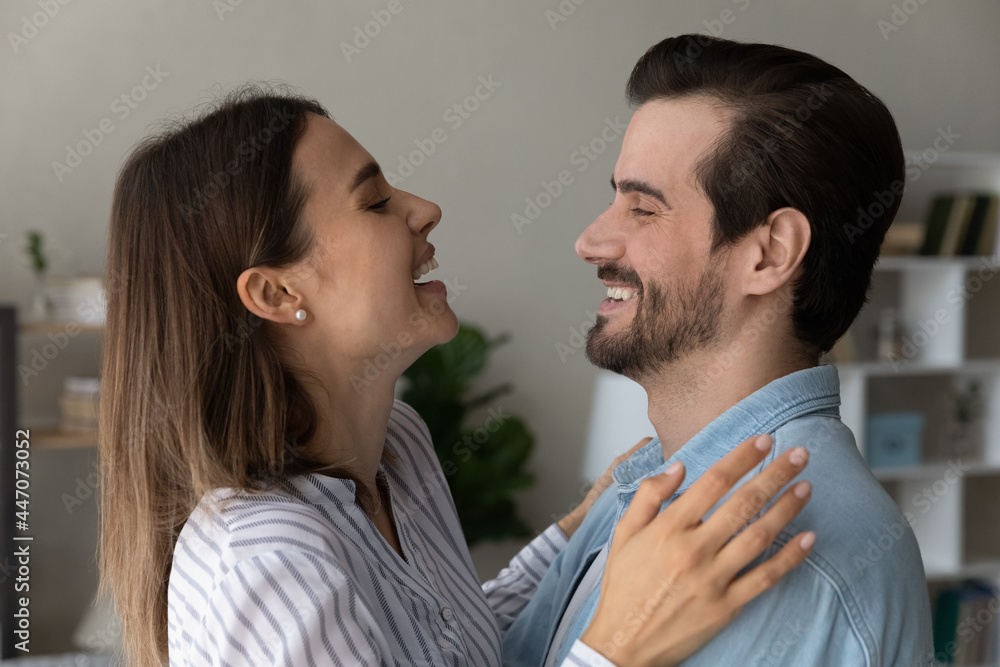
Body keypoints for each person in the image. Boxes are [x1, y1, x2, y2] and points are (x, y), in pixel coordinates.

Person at [97, 86, 817, 667]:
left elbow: (448, 646)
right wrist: (617, 648)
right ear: (278, 294)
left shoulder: (398, 449)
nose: (425, 209)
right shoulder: (266, 561)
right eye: (375, 202)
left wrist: (585, 525)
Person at [501, 35, 934, 667]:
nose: (591, 241)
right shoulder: (654, 487)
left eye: (643, 208)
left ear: (770, 254)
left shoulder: (764, 550)